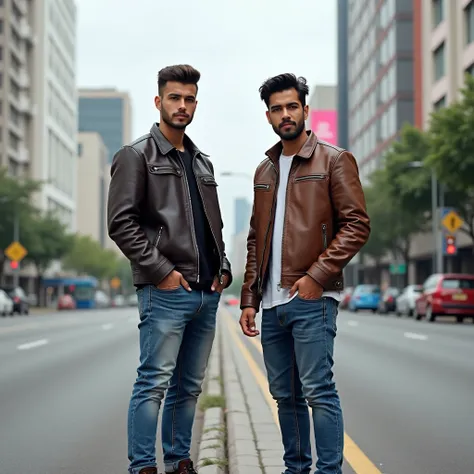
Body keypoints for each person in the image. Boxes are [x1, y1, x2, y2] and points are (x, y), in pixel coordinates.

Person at [239, 73, 370, 474]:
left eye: (292, 106)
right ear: (268, 116)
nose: (285, 114)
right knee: (285, 395)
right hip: (273, 305)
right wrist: (249, 299)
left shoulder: (334, 159)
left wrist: (316, 276)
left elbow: (357, 225)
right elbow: (255, 240)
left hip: (312, 299)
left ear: (306, 110)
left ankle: (329, 471)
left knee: (318, 392)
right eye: (277, 108)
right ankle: (295, 469)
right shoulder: (265, 170)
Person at [107, 64, 232, 474]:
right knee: (153, 383)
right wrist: (161, 272)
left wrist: (223, 268)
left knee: (189, 387)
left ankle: (179, 461)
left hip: (205, 294)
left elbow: (212, 225)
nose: (183, 105)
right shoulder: (136, 155)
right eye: (175, 98)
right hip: (166, 290)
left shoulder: (202, 163)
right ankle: (143, 466)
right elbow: (121, 223)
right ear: (159, 101)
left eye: (190, 98)